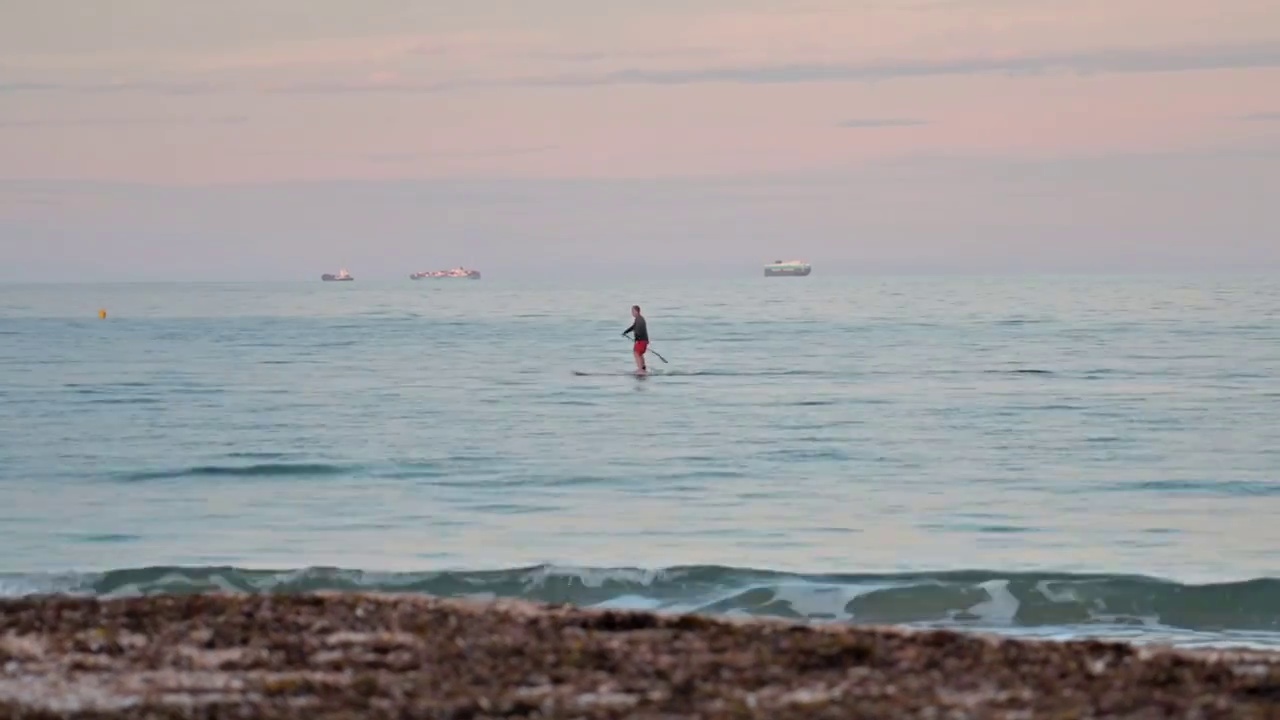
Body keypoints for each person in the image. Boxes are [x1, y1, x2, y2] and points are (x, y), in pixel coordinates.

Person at [621, 304, 649, 373]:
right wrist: (626, 332)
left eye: (633, 311)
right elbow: (633, 327)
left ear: (636, 311)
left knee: (636, 353)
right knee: (640, 353)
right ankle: (643, 367)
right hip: (644, 340)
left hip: (641, 340)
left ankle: (640, 370)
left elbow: (639, 330)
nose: (632, 313)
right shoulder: (639, 319)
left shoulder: (639, 319)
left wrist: (637, 339)